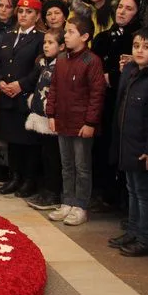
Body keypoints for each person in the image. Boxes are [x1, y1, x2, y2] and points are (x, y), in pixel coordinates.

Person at [108, 23, 148, 258]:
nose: (139, 51)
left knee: (145, 194)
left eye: (146, 47)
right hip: (128, 142)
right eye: (136, 46)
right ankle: (133, 230)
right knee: (132, 190)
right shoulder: (131, 71)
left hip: (146, 148)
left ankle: (146, 238)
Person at [46, 16, 106, 226]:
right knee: (67, 165)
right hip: (63, 120)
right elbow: (53, 88)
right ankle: (67, 201)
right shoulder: (62, 59)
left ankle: (80, 205)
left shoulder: (92, 61)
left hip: (82, 124)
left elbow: (97, 94)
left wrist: (90, 122)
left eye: (71, 32)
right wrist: (51, 114)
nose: (66, 35)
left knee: (82, 166)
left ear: (85, 36)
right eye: (66, 31)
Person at [91, 0, 142, 210]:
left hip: (125, 101)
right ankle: (104, 193)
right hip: (103, 100)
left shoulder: (138, 39)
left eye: (129, 8)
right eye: (120, 7)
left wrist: (111, 76)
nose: (122, 11)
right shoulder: (103, 37)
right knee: (102, 147)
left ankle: (122, 199)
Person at [0, 0, 45, 197]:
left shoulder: (40, 38)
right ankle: (14, 177)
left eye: (29, 12)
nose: (23, 15)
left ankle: (29, 180)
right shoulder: (7, 36)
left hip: (26, 97)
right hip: (7, 95)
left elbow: (39, 67)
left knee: (28, 141)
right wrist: (0, 81)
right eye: (21, 11)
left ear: (37, 16)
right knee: (12, 140)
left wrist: (21, 84)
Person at [25, 29, 65, 211]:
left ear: (62, 46)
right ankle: (47, 189)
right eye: (45, 42)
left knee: (54, 157)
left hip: (53, 117)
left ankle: (54, 193)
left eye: (51, 43)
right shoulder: (42, 63)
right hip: (40, 114)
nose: (46, 46)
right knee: (45, 155)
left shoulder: (62, 64)